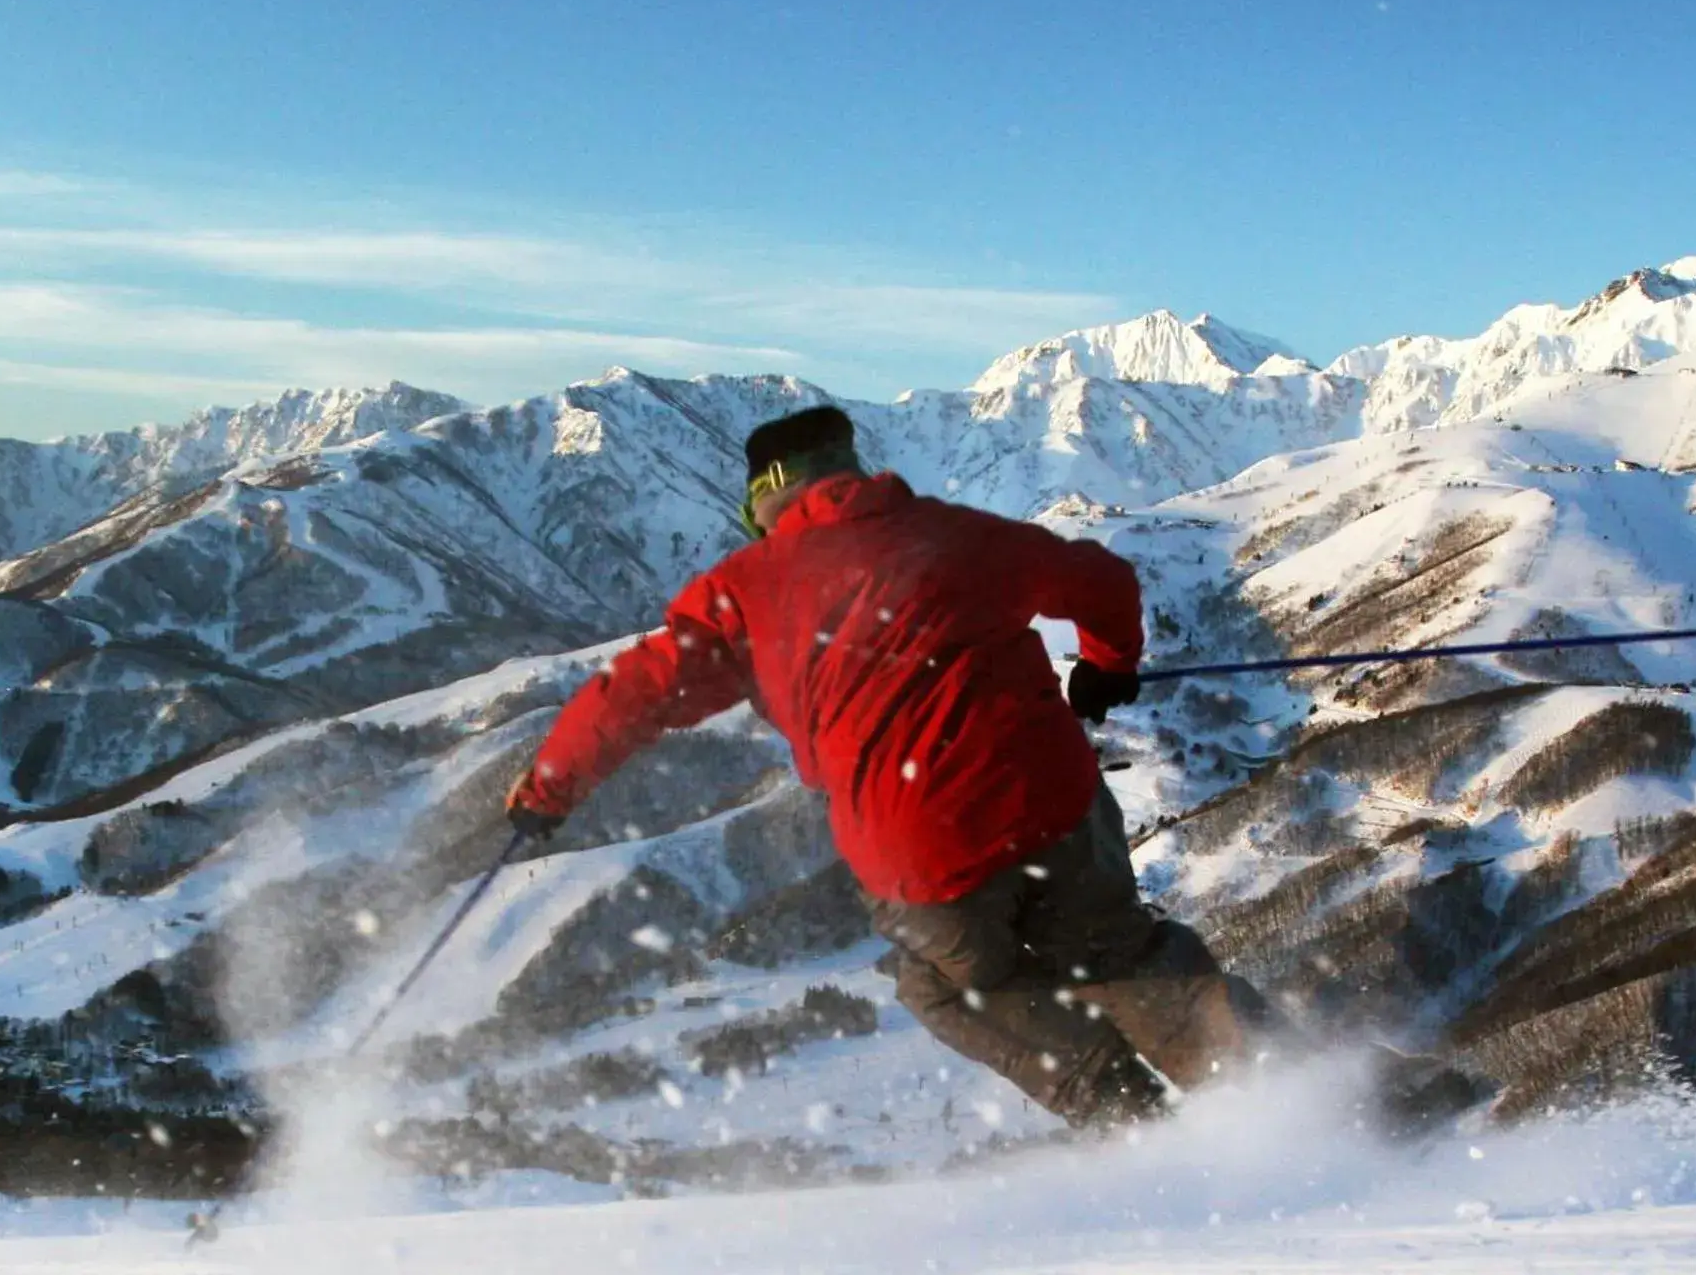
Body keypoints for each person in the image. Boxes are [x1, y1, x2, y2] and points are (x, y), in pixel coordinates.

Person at [504, 404, 1259, 1127]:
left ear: (766, 495)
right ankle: (1279, 1094)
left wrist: (548, 790)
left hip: (920, 849)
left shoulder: (743, 592)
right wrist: (1107, 663)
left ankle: (1130, 1119)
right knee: (1120, 955)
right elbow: (1102, 581)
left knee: (946, 987)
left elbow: (630, 696)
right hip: (1050, 801)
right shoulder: (960, 535)